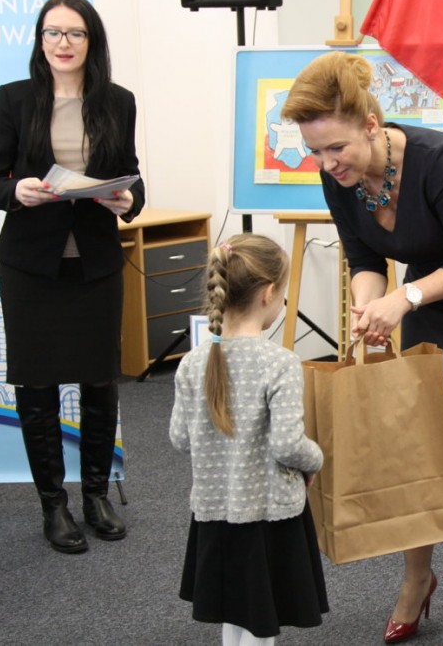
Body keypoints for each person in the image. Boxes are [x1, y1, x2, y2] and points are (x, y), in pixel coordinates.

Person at [281, 51, 443, 646]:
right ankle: (417, 579)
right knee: (417, 434)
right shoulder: (338, 178)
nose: (327, 163)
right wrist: (366, 308)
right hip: (431, 291)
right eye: (316, 152)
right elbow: (365, 258)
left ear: (371, 126)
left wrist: (403, 300)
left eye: (336, 148)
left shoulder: (440, 160)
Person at [0, 0, 145, 554]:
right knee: (38, 387)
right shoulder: (15, 99)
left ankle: (95, 496)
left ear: (91, 41)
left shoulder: (117, 102)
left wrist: (128, 200)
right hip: (32, 266)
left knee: (99, 382)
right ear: (40, 40)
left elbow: (132, 177)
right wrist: (16, 191)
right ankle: (54, 505)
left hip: (95, 263)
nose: (63, 43)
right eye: (52, 33)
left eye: (74, 33)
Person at [169, 234, 328, 646]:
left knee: (235, 610)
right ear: (269, 293)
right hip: (269, 515)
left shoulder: (192, 362)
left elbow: (180, 438)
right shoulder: (280, 363)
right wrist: (316, 459)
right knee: (261, 618)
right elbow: (288, 444)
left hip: (214, 513)